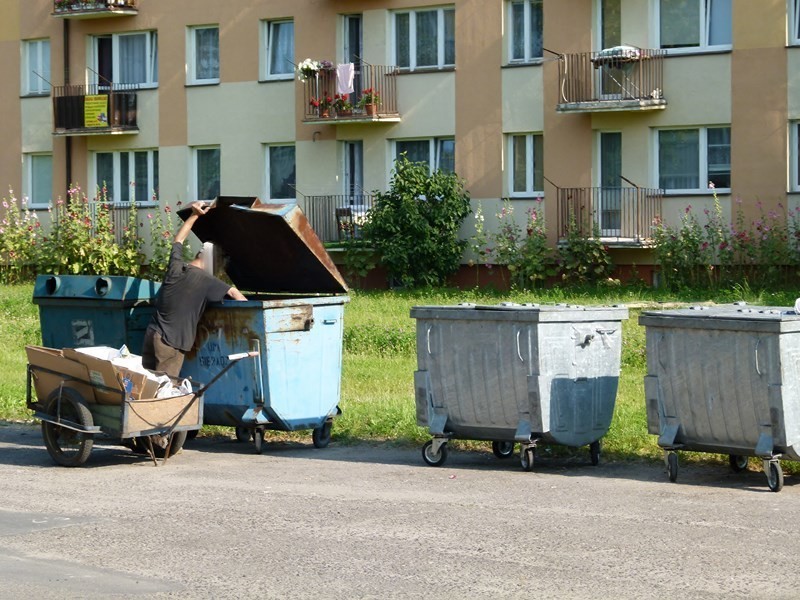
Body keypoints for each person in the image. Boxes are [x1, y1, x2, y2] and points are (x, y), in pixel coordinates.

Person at [142, 200, 247, 378]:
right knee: (165, 388)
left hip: (153, 334)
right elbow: (233, 293)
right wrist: (250, 311)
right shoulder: (207, 280)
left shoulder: (176, 267)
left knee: (147, 384)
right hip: (171, 342)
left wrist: (194, 215)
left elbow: (178, 239)